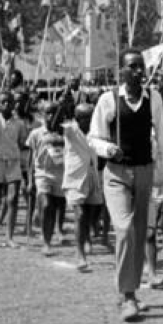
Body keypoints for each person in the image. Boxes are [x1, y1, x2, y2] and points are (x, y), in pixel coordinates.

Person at [88, 49, 163, 322]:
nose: (139, 71)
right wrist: (107, 149)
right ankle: (127, 295)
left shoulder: (154, 99)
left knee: (139, 233)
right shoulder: (109, 100)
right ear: (122, 71)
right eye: (133, 67)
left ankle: (130, 291)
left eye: (142, 67)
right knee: (124, 229)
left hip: (144, 171)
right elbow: (93, 137)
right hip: (116, 173)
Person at [54, 93, 102, 272]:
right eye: (85, 118)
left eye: (91, 116)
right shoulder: (70, 129)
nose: (89, 120)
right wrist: (61, 105)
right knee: (80, 214)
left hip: (92, 176)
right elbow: (54, 126)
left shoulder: (97, 130)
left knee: (92, 214)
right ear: (77, 118)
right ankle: (80, 253)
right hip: (75, 178)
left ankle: (86, 237)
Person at [0, 90, 29, 247]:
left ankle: (10, 237)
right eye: (3, 102)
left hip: (12, 162)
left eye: (10, 102)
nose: (7, 105)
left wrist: (13, 152)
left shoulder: (19, 123)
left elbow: (22, 143)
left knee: (13, 198)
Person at [25, 103, 66, 255]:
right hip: (42, 174)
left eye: (54, 113)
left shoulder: (64, 133)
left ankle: (50, 227)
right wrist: (29, 181)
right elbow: (30, 159)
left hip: (60, 174)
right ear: (43, 115)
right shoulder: (36, 133)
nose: (51, 116)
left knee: (55, 206)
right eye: (48, 113)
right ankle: (46, 242)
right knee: (47, 205)